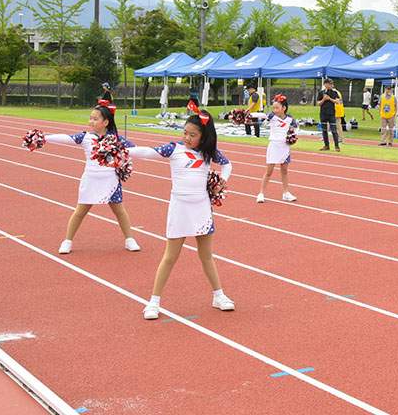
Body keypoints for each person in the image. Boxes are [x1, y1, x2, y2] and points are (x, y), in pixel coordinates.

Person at [129, 107, 234, 318]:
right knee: (170, 257)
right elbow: (148, 152)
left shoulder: (208, 153)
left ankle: (218, 295)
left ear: (203, 137)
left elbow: (228, 165)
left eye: (192, 135)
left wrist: (222, 182)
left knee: (206, 256)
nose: (186, 137)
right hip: (180, 208)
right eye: (185, 132)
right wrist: (123, 150)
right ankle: (154, 302)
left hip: (202, 209)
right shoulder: (173, 149)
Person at [35, 103, 141, 254]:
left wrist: (123, 162)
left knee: (120, 212)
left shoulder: (116, 139)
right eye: (90, 118)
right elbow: (66, 138)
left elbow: (134, 149)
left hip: (110, 182)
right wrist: (44, 138)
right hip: (91, 181)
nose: (91, 121)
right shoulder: (86, 137)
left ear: (106, 122)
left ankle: (129, 239)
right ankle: (67, 241)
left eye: (95, 119)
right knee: (80, 212)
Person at [249, 95, 298, 203]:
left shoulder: (289, 118)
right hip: (274, 146)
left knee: (284, 171)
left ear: (284, 108)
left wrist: (294, 136)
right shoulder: (272, 116)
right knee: (268, 172)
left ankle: (286, 193)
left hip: (285, 147)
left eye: (277, 108)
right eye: (273, 108)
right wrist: (248, 114)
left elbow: (296, 126)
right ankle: (261, 193)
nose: (274, 110)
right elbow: (261, 114)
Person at [317, 78, 340, 152]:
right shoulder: (321, 93)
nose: (331, 85)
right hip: (323, 113)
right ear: (325, 84)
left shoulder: (334, 92)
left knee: (334, 130)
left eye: (331, 84)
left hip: (331, 113)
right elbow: (318, 103)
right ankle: (326, 145)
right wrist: (324, 99)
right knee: (324, 130)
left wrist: (330, 99)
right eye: (329, 84)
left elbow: (337, 101)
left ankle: (337, 146)